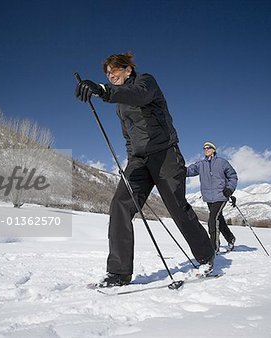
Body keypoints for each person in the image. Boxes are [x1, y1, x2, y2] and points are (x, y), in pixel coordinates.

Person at [75, 52, 214, 287]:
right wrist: (130, 161)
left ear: (128, 70)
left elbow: (138, 96)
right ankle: (118, 273)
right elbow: (129, 137)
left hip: (165, 154)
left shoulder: (145, 82)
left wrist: (102, 90)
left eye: (114, 71)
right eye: (107, 74)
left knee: (176, 206)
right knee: (120, 204)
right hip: (139, 160)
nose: (111, 76)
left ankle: (206, 256)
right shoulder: (120, 106)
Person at [187, 141, 238, 254]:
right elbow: (188, 171)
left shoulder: (222, 162)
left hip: (221, 195)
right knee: (219, 219)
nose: (206, 149)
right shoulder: (200, 164)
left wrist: (229, 188)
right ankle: (230, 238)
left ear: (214, 150)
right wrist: (176, 167)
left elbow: (233, 176)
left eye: (208, 148)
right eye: (204, 148)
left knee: (212, 220)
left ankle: (214, 248)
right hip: (208, 197)